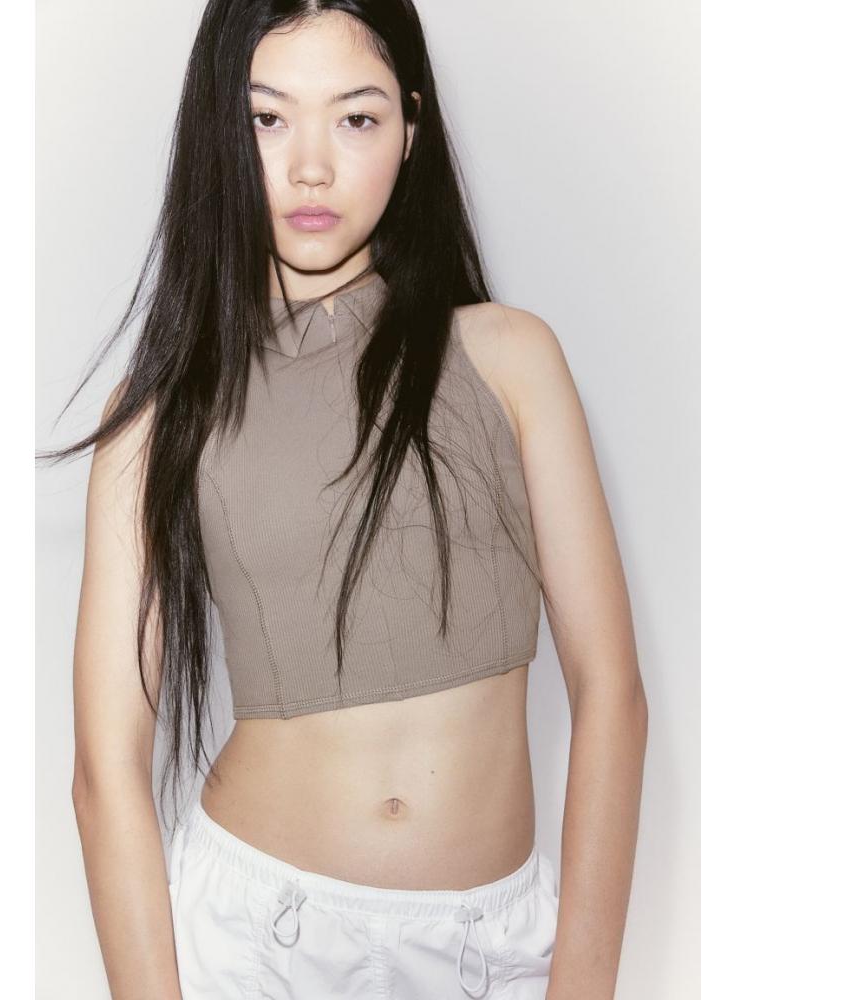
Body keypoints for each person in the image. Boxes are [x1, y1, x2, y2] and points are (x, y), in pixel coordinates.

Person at [42, 2, 648, 998]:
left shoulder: (510, 357)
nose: (311, 167)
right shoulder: (157, 415)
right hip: (257, 943)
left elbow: (612, 693)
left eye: (356, 117)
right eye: (267, 118)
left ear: (411, 128)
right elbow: (105, 771)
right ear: (216, 132)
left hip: (490, 949)